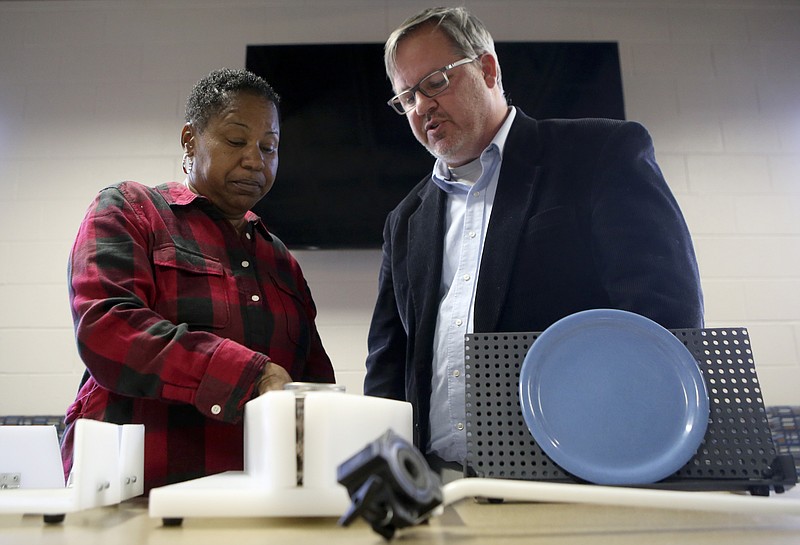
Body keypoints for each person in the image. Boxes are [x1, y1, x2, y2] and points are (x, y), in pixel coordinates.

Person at [364, 7, 704, 473]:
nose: (421, 106)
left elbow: (665, 316)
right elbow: (388, 362)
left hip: (577, 473)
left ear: (487, 69)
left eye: (435, 82)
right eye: (406, 96)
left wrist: (639, 457)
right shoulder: (404, 219)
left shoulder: (599, 155)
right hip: (436, 483)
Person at [61, 68, 335, 492]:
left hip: (258, 496)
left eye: (269, 147)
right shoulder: (131, 211)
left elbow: (312, 383)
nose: (254, 159)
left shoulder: (281, 261)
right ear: (190, 139)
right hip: (137, 494)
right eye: (235, 141)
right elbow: (107, 329)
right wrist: (251, 374)